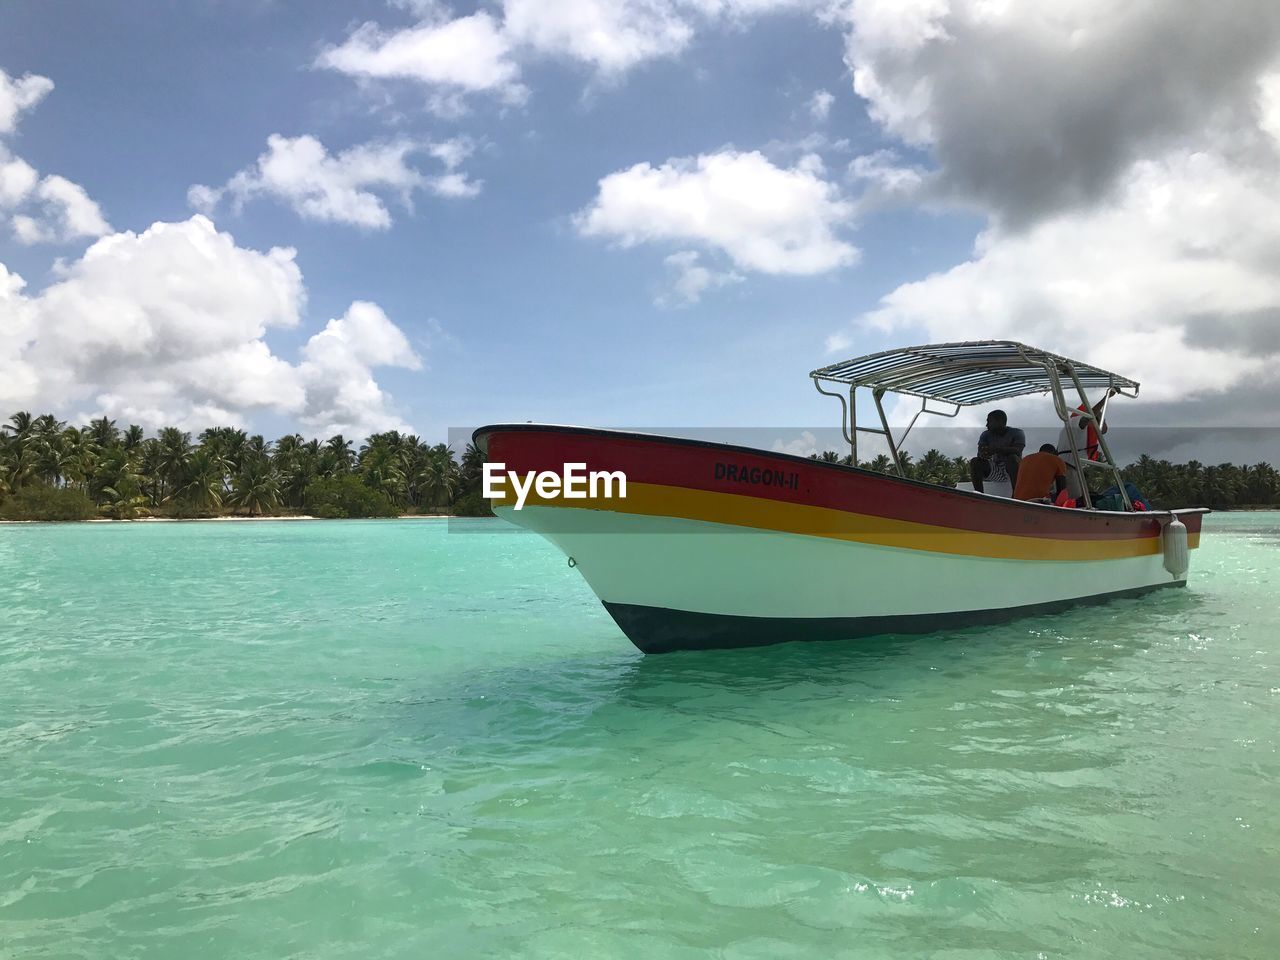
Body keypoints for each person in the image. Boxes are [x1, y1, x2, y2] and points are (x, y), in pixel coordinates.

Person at [1058, 388, 1118, 499]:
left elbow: (1103, 430)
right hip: (1068, 468)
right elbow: (1089, 417)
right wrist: (1106, 398)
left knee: (1083, 498)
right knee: (1074, 500)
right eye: (1095, 419)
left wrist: (1100, 417)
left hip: (1072, 469)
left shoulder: (1077, 427)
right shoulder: (1076, 422)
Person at [969, 409, 1025, 493]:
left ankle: (1016, 493)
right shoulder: (985, 434)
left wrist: (996, 449)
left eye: (989, 421)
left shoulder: (1018, 432)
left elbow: (1018, 450)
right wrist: (983, 454)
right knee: (975, 461)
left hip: (1012, 471)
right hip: (995, 469)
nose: (986, 425)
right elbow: (981, 451)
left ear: (1000, 421)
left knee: (1012, 458)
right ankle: (979, 495)